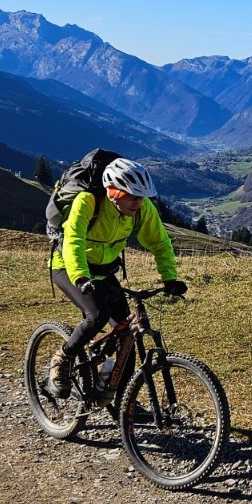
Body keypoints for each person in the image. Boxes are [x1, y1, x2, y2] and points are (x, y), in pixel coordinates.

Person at [47, 157, 187, 398]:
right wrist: (80, 277)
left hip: (103, 271)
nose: (138, 202)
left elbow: (160, 243)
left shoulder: (142, 209)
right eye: (132, 196)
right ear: (112, 191)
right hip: (68, 267)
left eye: (142, 197)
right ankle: (62, 358)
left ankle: (121, 402)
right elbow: (73, 241)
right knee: (97, 315)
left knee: (127, 337)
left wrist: (169, 279)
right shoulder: (88, 202)